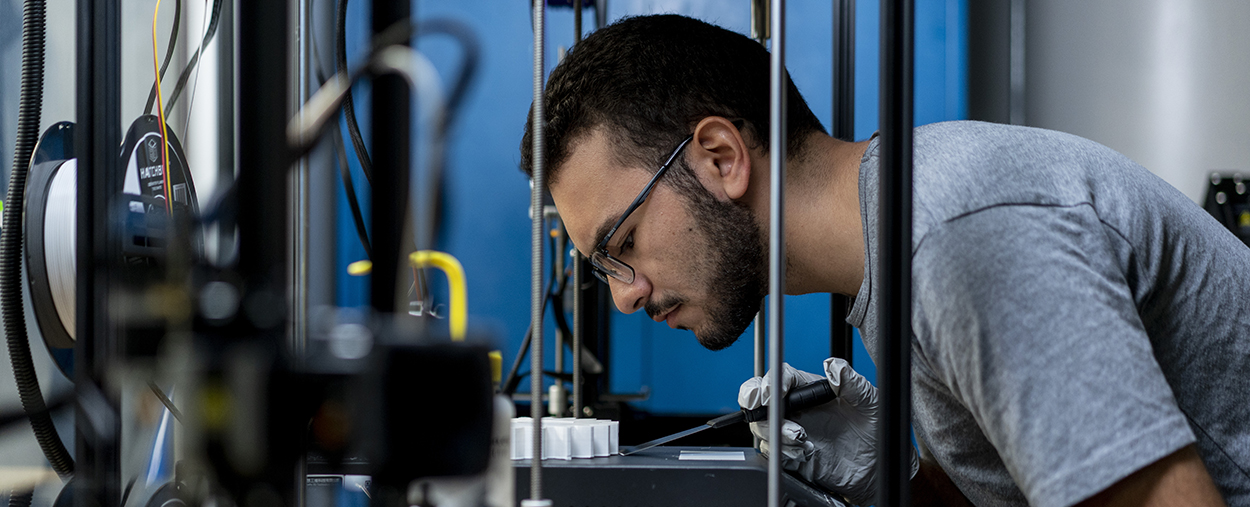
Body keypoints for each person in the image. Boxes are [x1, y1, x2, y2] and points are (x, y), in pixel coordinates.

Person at [519, 14, 1250, 507]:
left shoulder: (958, 236)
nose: (623, 294)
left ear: (721, 156)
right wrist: (901, 481)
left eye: (623, 244)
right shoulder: (900, 239)